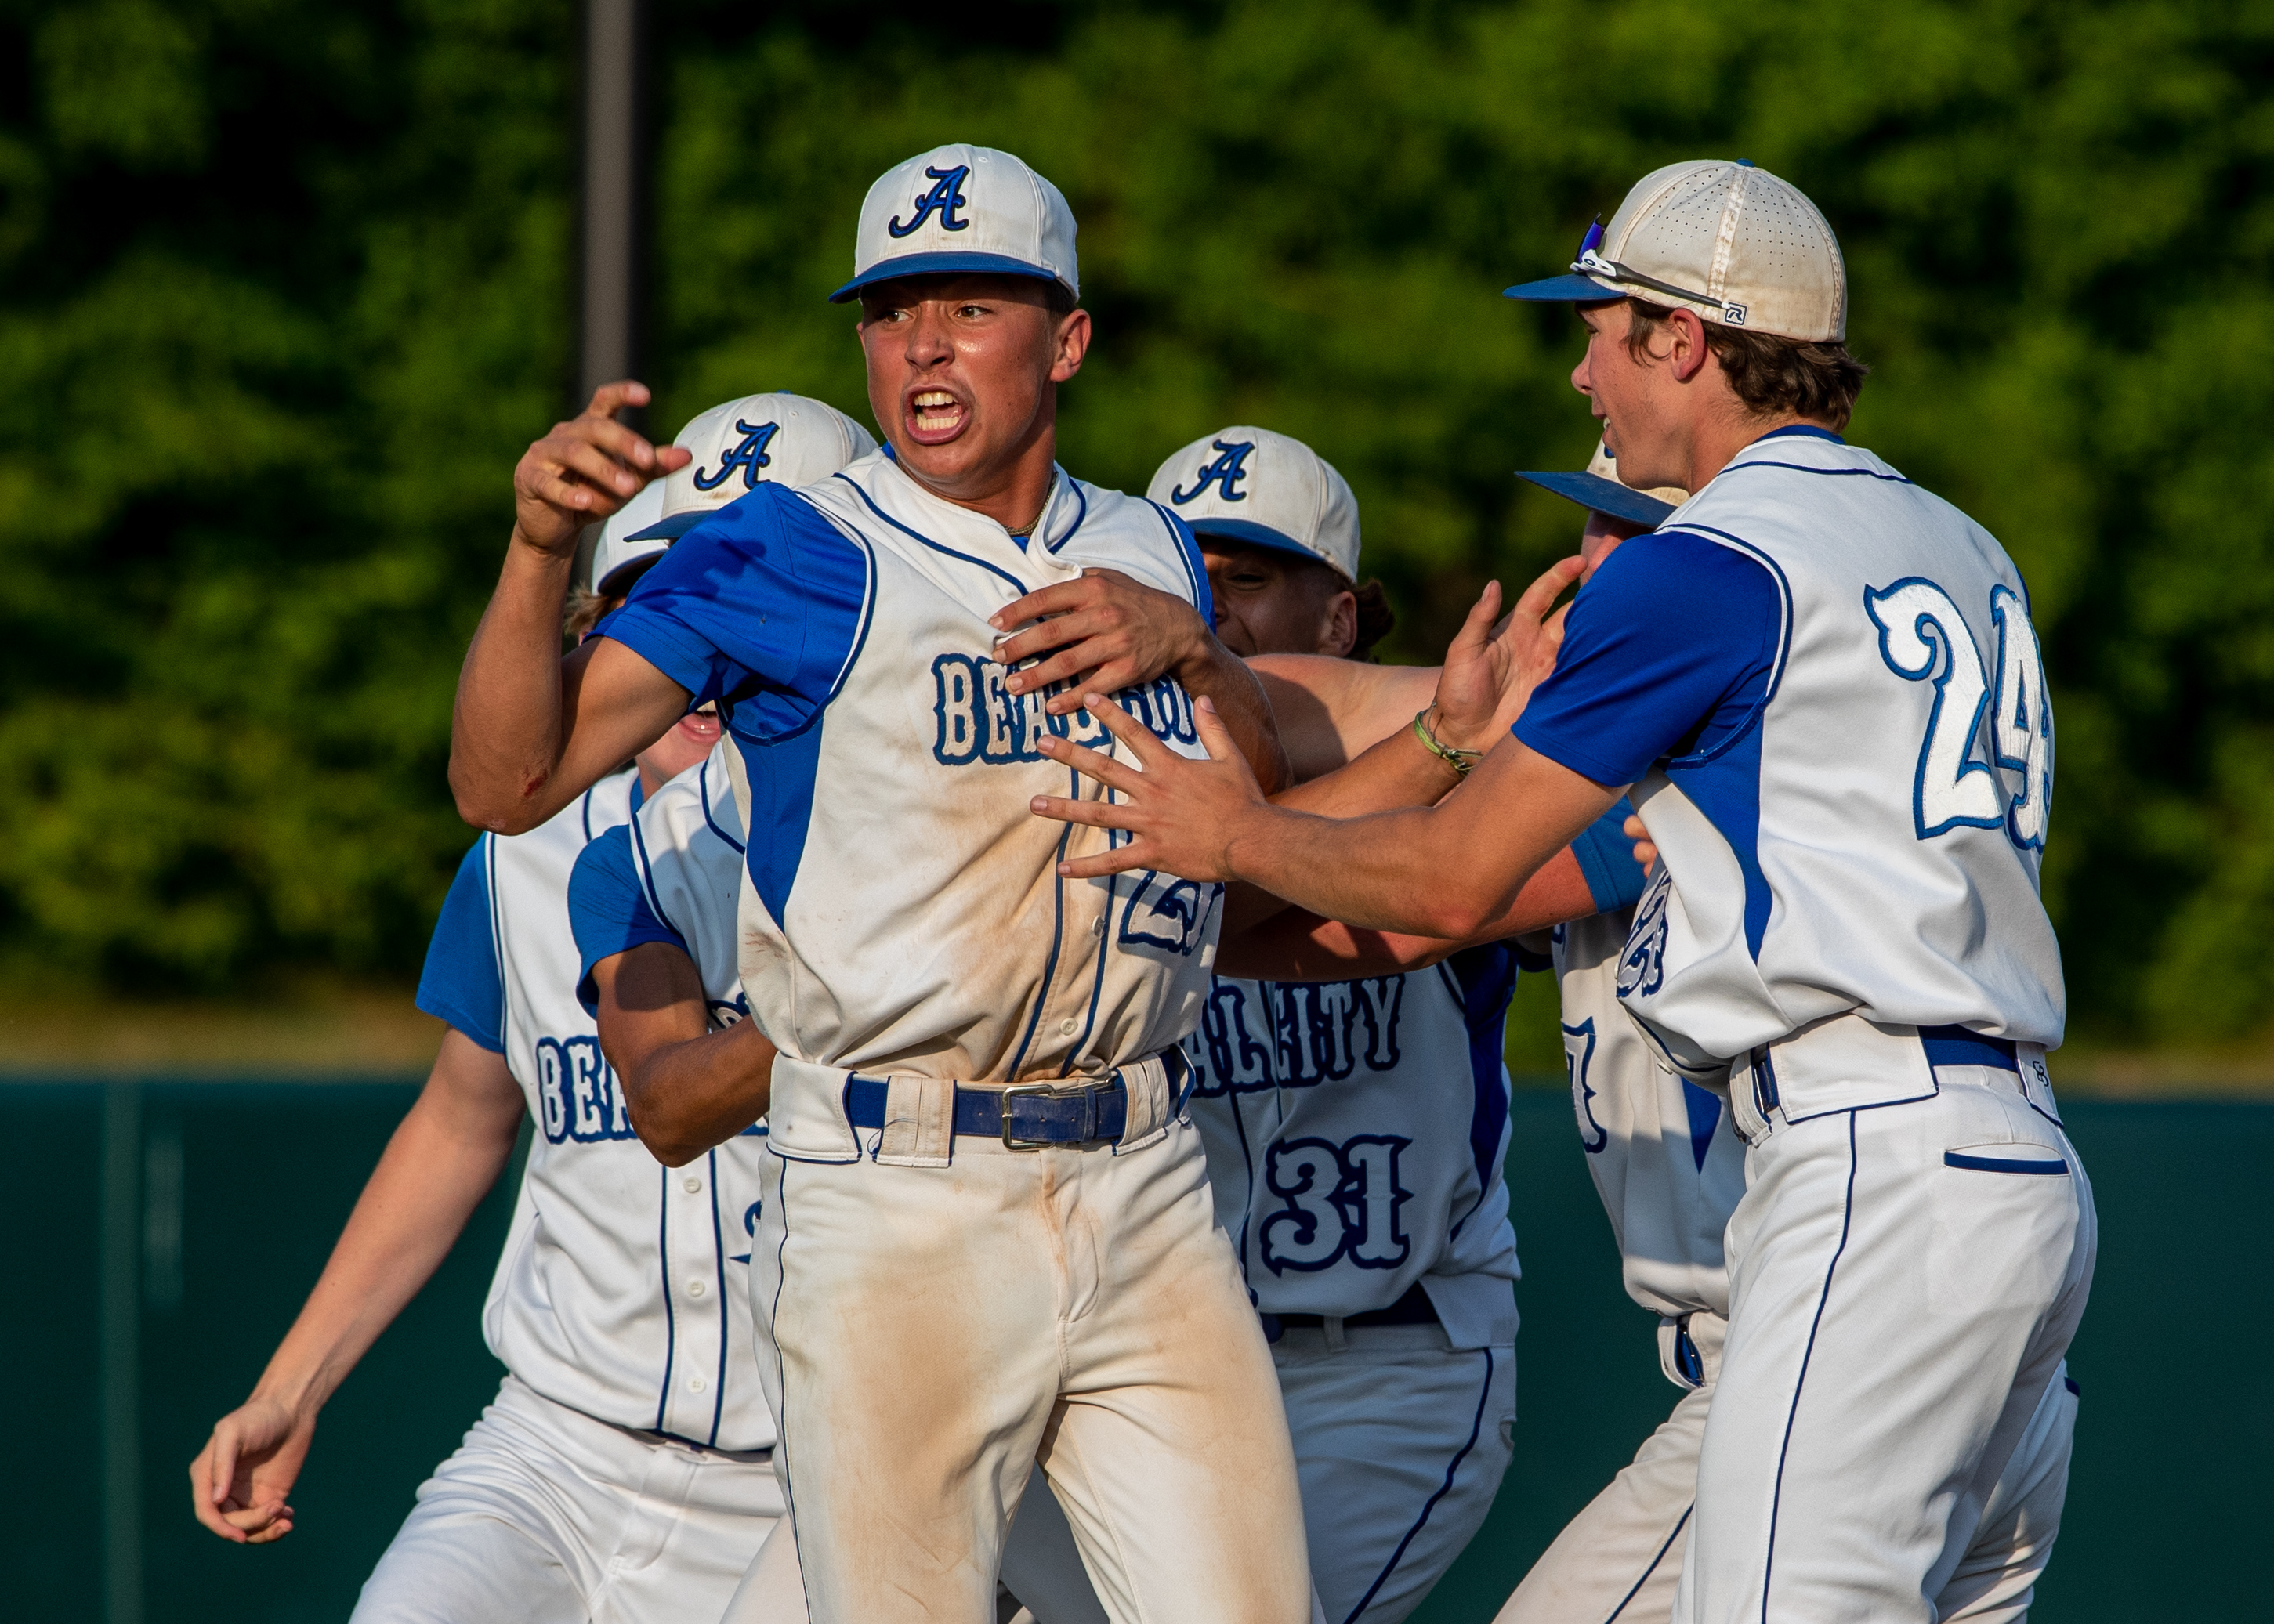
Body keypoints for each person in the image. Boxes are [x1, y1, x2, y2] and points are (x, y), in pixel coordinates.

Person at [444, 142, 1537, 1623]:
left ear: (1067, 339)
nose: (923, 346)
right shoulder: (797, 552)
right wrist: (533, 550)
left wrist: (1235, 663)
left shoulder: (1142, 543)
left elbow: (1244, 800)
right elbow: (506, 781)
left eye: (968, 305)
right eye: (892, 312)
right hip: (904, 1191)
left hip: (1144, 1177)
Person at [1028, 159, 2096, 1624]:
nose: (1582, 366)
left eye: (1603, 325)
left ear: (1687, 337)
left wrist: (1229, 836)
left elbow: (1454, 874)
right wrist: (1217, 666)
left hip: (1871, 1175)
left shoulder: (1718, 562)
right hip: (2006, 1171)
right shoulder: (1951, 541)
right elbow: (1393, 708)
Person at [187, 392, 872, 1624]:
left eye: (732, 609)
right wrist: (294, 1384)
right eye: (648, 607)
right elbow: (459, 1121)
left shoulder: (906, 862)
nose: (696, 650)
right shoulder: (527, 851)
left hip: (813, 1477)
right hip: (560, 1448)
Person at [1499, 452, 2080, 1624]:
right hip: (1979, 1214)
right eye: (1591, 526)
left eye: (1636, 529)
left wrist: (1239, 824)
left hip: (1846, 1283)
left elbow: (1441, 887)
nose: (1598, 561)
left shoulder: (1703, 791)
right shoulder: (1791, 731)